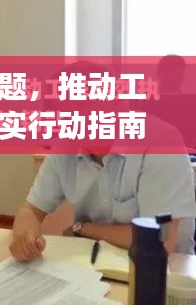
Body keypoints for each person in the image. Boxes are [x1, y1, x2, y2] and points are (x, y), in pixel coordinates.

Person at [10, 62, 196, 261]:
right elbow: (31, 209)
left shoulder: (162, 142)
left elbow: (159, 238)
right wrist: (24, 236)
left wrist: (82, 228)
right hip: (95, 261)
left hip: (167, 266)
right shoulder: (66, 146)